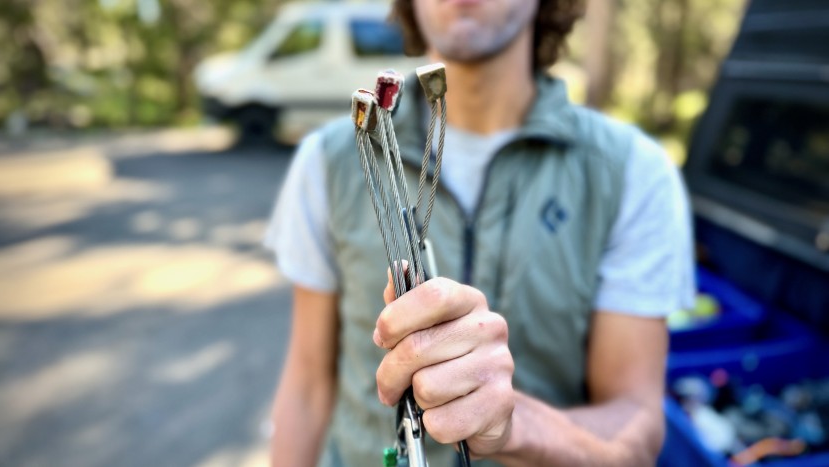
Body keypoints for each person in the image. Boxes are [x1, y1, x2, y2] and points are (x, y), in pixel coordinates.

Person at [265, 0, 695, 465]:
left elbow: (635, 430)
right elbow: (306, 389)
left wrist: (511, 421)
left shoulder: (631, 173)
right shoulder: (327, 161)